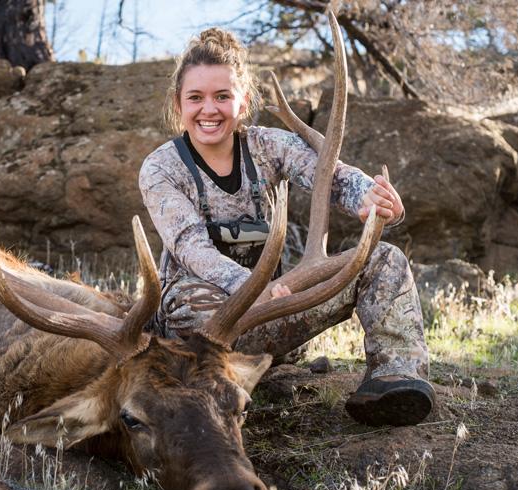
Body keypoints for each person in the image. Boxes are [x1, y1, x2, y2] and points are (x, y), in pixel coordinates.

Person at [138, 27, 436, 427]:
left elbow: (333, 175)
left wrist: (371, 198)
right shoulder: (162, 168)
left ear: (243, 104)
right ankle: (221, 380)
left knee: (382, 258)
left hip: (275, 303)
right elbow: (191, 247)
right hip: (201, 321)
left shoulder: (267, 146)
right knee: (191, 302)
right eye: (196, 98)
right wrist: (250, 289)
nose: (209, 109)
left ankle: (393, 378)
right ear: (179, 104)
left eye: (222, 97)